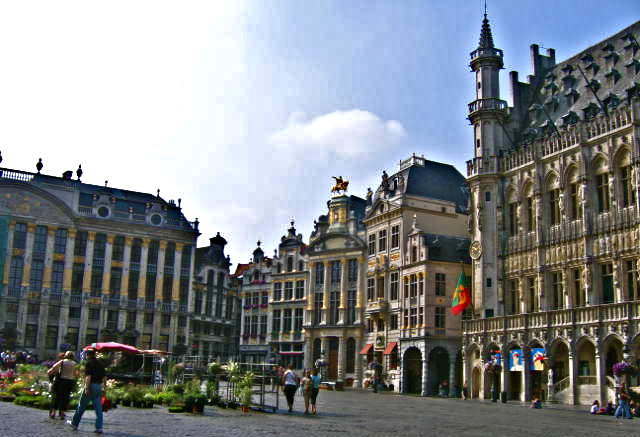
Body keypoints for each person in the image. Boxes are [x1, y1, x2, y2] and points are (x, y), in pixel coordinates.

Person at [68, 349, 106, 433]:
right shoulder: (100, 364)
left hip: (91, 386)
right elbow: (104, 378)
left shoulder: (89, 363)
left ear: (88, 355)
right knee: (98, 409)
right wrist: (104, 389)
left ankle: (74, 424)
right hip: (98, 386)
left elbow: (88, 377)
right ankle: (99, 427)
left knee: (81, 406)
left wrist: (87, 388)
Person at [48, 351, 77, 420]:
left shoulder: (62, 362)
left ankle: (53, 412)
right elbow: (75, 374)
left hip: (61, 381)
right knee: (65, 397)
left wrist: (50, 373)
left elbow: (53, 368)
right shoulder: (74, 363)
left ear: (66, 356)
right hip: (69, 381)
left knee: (57, 396)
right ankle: (62, 413)